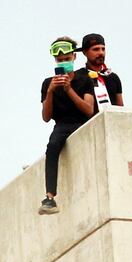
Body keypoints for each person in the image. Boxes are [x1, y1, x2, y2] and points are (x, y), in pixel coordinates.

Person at [39, 37, 95, 215]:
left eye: (67, 59)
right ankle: (50, 197)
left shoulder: (84, 79)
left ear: (74, 57)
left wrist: (69, 89)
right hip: (62, 124)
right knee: (52, 146)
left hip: (81, 122)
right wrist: (50, 91)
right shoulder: (48, 83)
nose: (64, 63)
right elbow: (46, 117)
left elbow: (88, 109)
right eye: (60, 60)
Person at [74, 33, 123, 112]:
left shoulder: (113, 77)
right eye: (96, 49)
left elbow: (120, 108)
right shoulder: (78, 77)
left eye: (103, 49)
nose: (101, 53)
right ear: (84, 52)